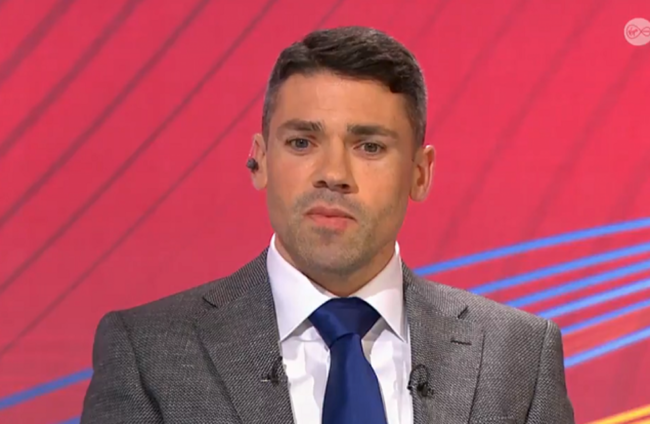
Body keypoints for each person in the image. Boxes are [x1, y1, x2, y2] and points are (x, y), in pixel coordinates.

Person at [80, 26, 575, 424]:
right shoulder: (148, 353)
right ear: (260, 161)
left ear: (420, 173)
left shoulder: (518, 356)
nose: (333, 173)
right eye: (302, 143)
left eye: (370, 146)